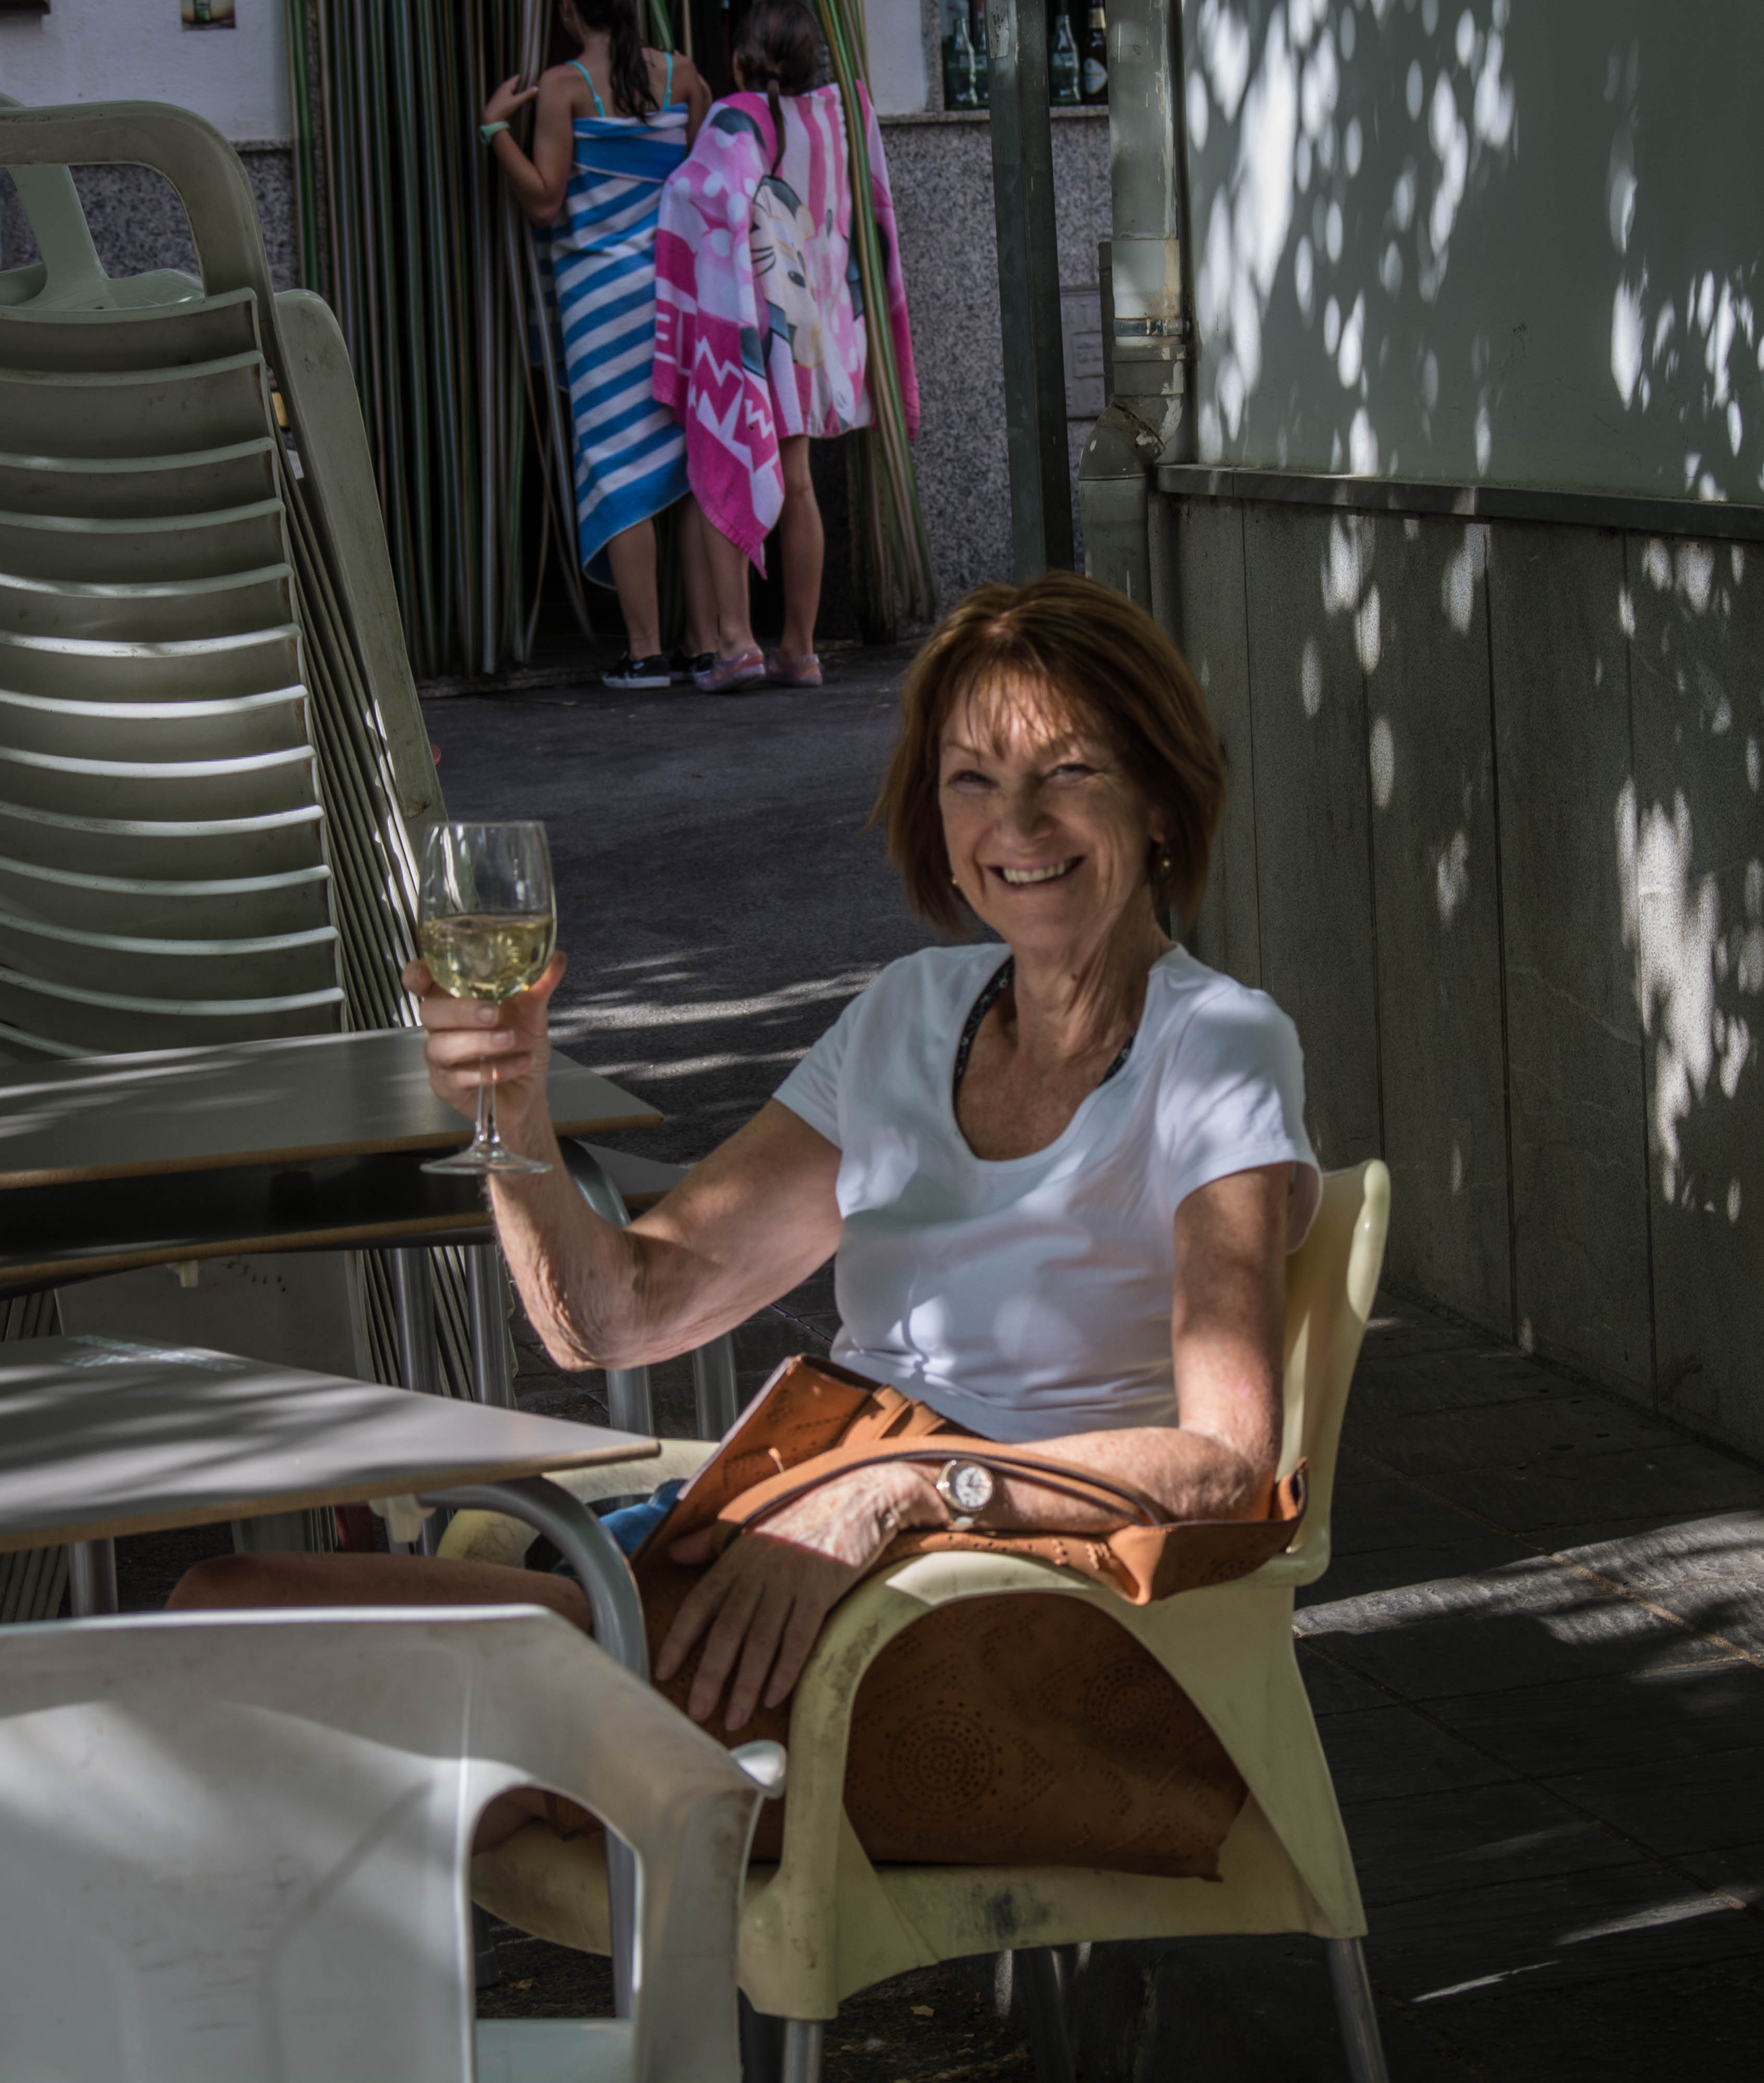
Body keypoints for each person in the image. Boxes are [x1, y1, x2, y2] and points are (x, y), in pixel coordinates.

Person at [171, 572, 1321, 1868]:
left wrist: (899, 1490)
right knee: (235, 1627)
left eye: (1068, 771)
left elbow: (1226, 1462)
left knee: (287, 1714)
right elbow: (623, 1314)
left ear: (1159, 799)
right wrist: (512, 1107)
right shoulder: (907, 1013)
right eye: (970, 779)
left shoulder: (1217, 1046)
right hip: (815, 1573)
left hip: (1002, 1622)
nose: (1015, 823)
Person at [653, 0, 920, 691]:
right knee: (797, 483)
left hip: (743, 331)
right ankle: (799, 649)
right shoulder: (839, 117)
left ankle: (736, 644)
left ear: (739, 61)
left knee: (722, 460)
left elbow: (691, 198)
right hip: (809, 337)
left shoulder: (734, 122)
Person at [482, 0, 717, 688]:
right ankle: (705, 643)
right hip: (674, 293)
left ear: (568, 9)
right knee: (687, 466)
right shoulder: (684, 77)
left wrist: (495, 129)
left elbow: (544, 202)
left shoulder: (565, 86)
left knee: (616, 463)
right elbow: (705, 185)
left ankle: (645, 653)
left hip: (598, 301)